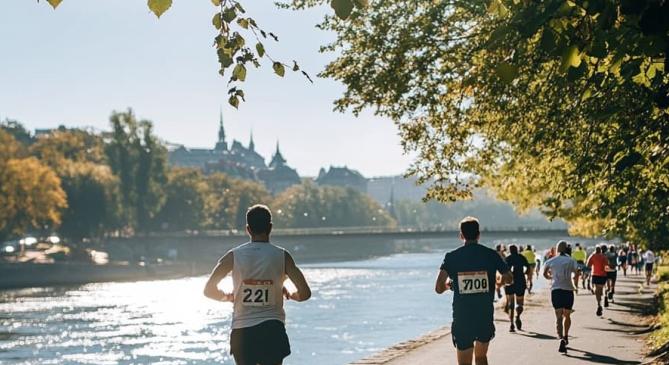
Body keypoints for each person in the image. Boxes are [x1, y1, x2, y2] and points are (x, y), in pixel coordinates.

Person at [203, 204, 312, 365]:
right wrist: (290, 295)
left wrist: (229, 297)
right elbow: (305, 293)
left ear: (248, 229)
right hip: (272, 329)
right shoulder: (282, 256)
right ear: (270, 227)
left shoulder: (233, 256)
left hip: (243, 332)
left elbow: (208, 290)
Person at [435, 217, 512, 365]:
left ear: (461, 235)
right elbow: (509, 278)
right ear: (479, 234)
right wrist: (497, 280)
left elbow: (438, 288)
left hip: (462, 316)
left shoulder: (451, 257)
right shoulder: (491, 254)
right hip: (484, 314)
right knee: (481, 358)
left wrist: (449, 285)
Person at [543, 240, 579, 353]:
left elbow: (544, 274)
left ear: (557, 249)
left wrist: (551, 278)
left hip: (556, 290)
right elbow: (577, 273)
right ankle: (566, 336)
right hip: (568, 290)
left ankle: (560, 337)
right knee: (567, 315)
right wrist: (574, 283)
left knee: (558, 316)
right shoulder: (571, 260)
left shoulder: (550, 261)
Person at [505, 244, 530, 332]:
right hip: (520, 281)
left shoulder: (508, 258)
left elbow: (503, 270)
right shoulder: (521, 257)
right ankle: (517, 316)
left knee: (511, 304)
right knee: (520, 303)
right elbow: (528, 267)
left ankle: (511, 324)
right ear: (517, 250)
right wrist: (525, 275)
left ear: (510, 250)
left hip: (510, 282)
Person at [587, 245, 608, 316]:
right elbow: (606, 267)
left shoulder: (592, 256)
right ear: (601, 251)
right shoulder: (604, 257)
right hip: (602, 275)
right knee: (600, 289)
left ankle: (599, 304)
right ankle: (603, 299)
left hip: (595, 275)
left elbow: (588, 265)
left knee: (596, 290)